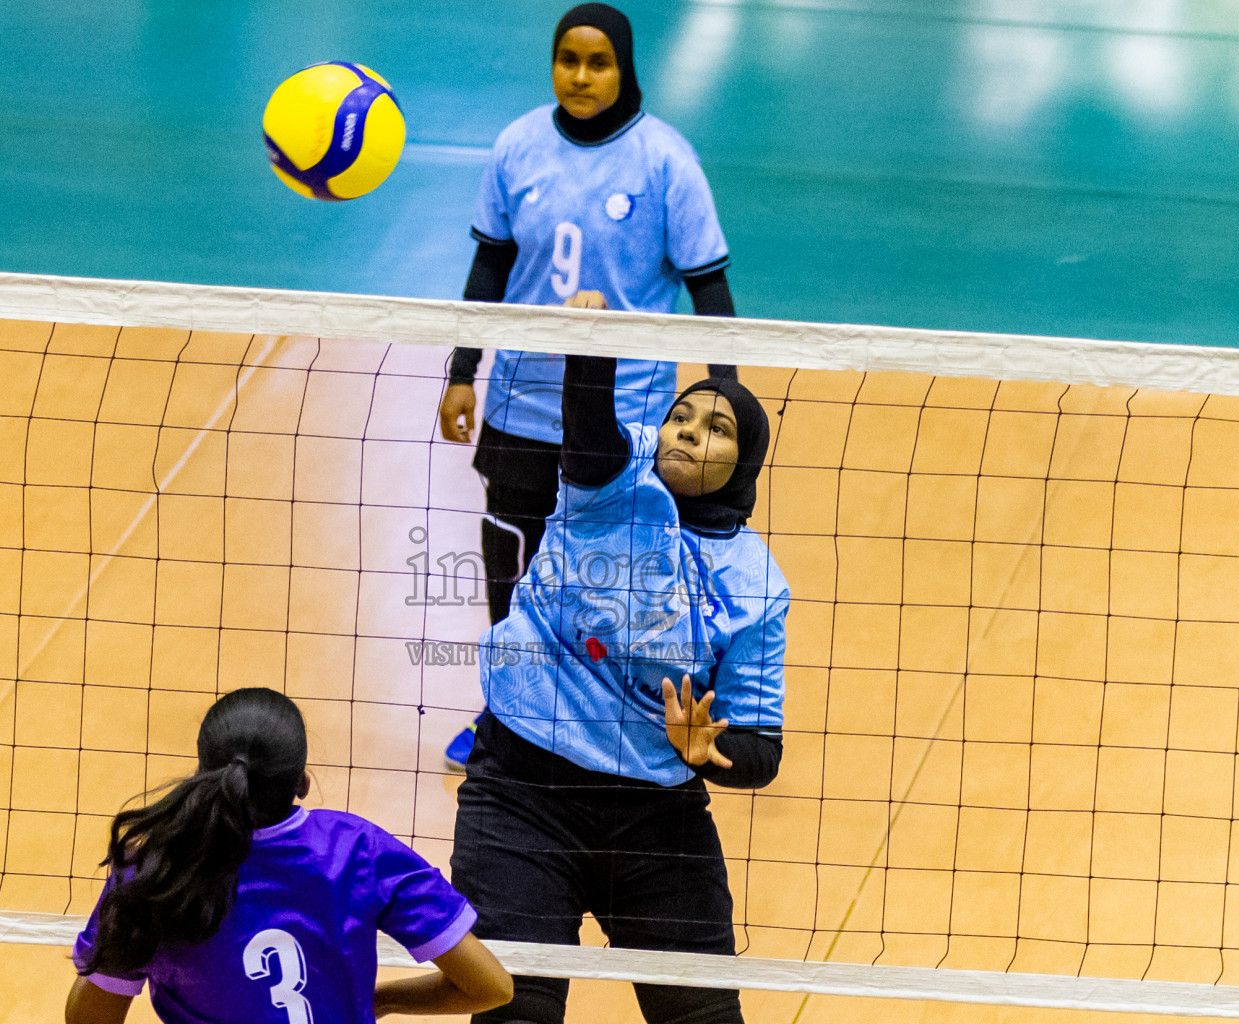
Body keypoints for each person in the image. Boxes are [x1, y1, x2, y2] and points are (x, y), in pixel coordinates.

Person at [450, 316, 790, 1024]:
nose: (690, 432)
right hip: (522, 795)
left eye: (719, 429)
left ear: (745, 462)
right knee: (516, 1012)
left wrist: (714, 754)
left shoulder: (758, 583)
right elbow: (586, 418)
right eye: (681, 416)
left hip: (656, 821)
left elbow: (762, 749)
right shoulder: (614, 477)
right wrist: (589, 332)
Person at [440, 2, 738, 771]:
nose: (580, 76)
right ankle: (505, 709)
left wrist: (726, 400)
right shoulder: (518, 146)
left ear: (625, 67)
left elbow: (709, 289)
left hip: (624, 421)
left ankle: (615, 716)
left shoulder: (666, 162)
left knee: (611, 576)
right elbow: (489, 268)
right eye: (567, 59)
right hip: (520, 403)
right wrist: (463, 371)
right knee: (511, 563)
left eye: (597, 62)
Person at [64, 687, 512, 1024]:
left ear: (202, 775)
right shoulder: (358, 849)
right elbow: (490, 987)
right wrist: (383, 999)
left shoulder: (156, 865)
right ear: (302, 783)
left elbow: (89, 1020)